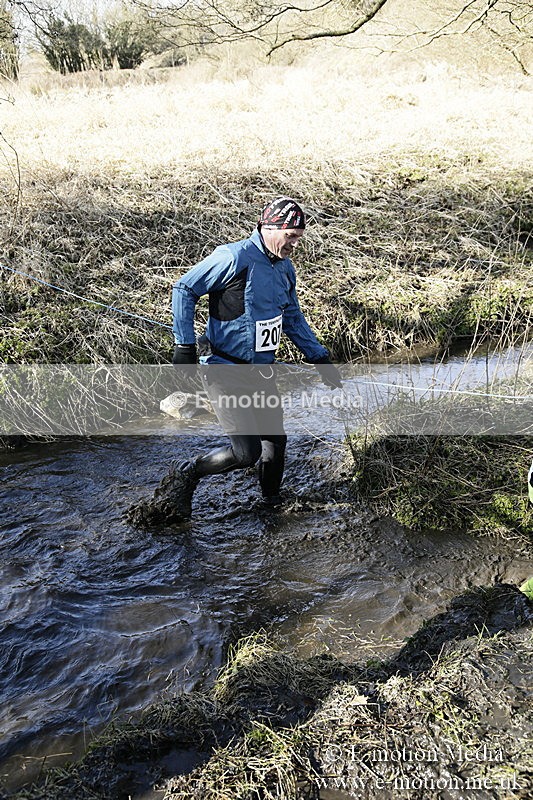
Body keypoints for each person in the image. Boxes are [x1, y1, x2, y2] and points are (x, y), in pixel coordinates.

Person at [128, 197, 342, 526]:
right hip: (224, 372)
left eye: (299, 237)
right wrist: (183, 344)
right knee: (246, 453)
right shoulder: (234, 257)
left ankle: (272, 506)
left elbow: (292, 318)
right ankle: (190, 471)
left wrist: (320, 358)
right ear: (270, 229)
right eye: (291, 236)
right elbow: (184, 288)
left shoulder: (285, 268)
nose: (295, 244)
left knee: (276, 441)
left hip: (262, 373)